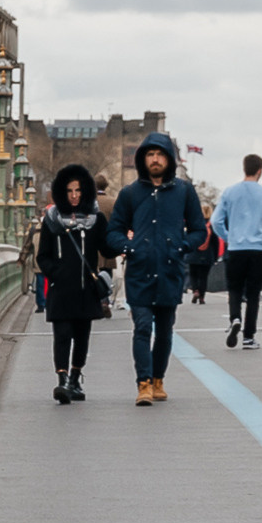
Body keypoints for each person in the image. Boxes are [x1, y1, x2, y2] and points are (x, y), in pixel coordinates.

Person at [106, 129, 203, 404]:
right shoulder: (130, 194)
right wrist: (129, 247)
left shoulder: (184, 192)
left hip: (170, 271)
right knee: (142, 327)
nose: (155, 159)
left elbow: (199, 231)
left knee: (164, 330)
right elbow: (114, 232)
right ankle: (143, 384)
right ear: (142, 159)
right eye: (150, 154)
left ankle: (158, 379)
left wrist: (182, 246)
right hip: (139, 272)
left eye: (160, 154)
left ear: (169, 159)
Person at [36, 160, 109, 402]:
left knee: (82, 336)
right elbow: (42, 256)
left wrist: (127, 243)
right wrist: (56, 273)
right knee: (62, 335)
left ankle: (75, 379)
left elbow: (107, 249)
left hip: (86, 289)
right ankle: (62, 381)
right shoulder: (52, 220)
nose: (74, 195)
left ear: (85, 190)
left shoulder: (95, 219)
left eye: (78, 190)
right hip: (61, 289)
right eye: (69, 191)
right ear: (61, 192)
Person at [214, 153, 262, 348]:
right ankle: (249, 337)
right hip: (257, 249)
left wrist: (229, 237)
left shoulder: (229, 192)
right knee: (253, 294)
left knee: (234, 289)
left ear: (244, 168)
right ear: (260, 170)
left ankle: (235, 318)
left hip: (235, 249)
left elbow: (216, 221)